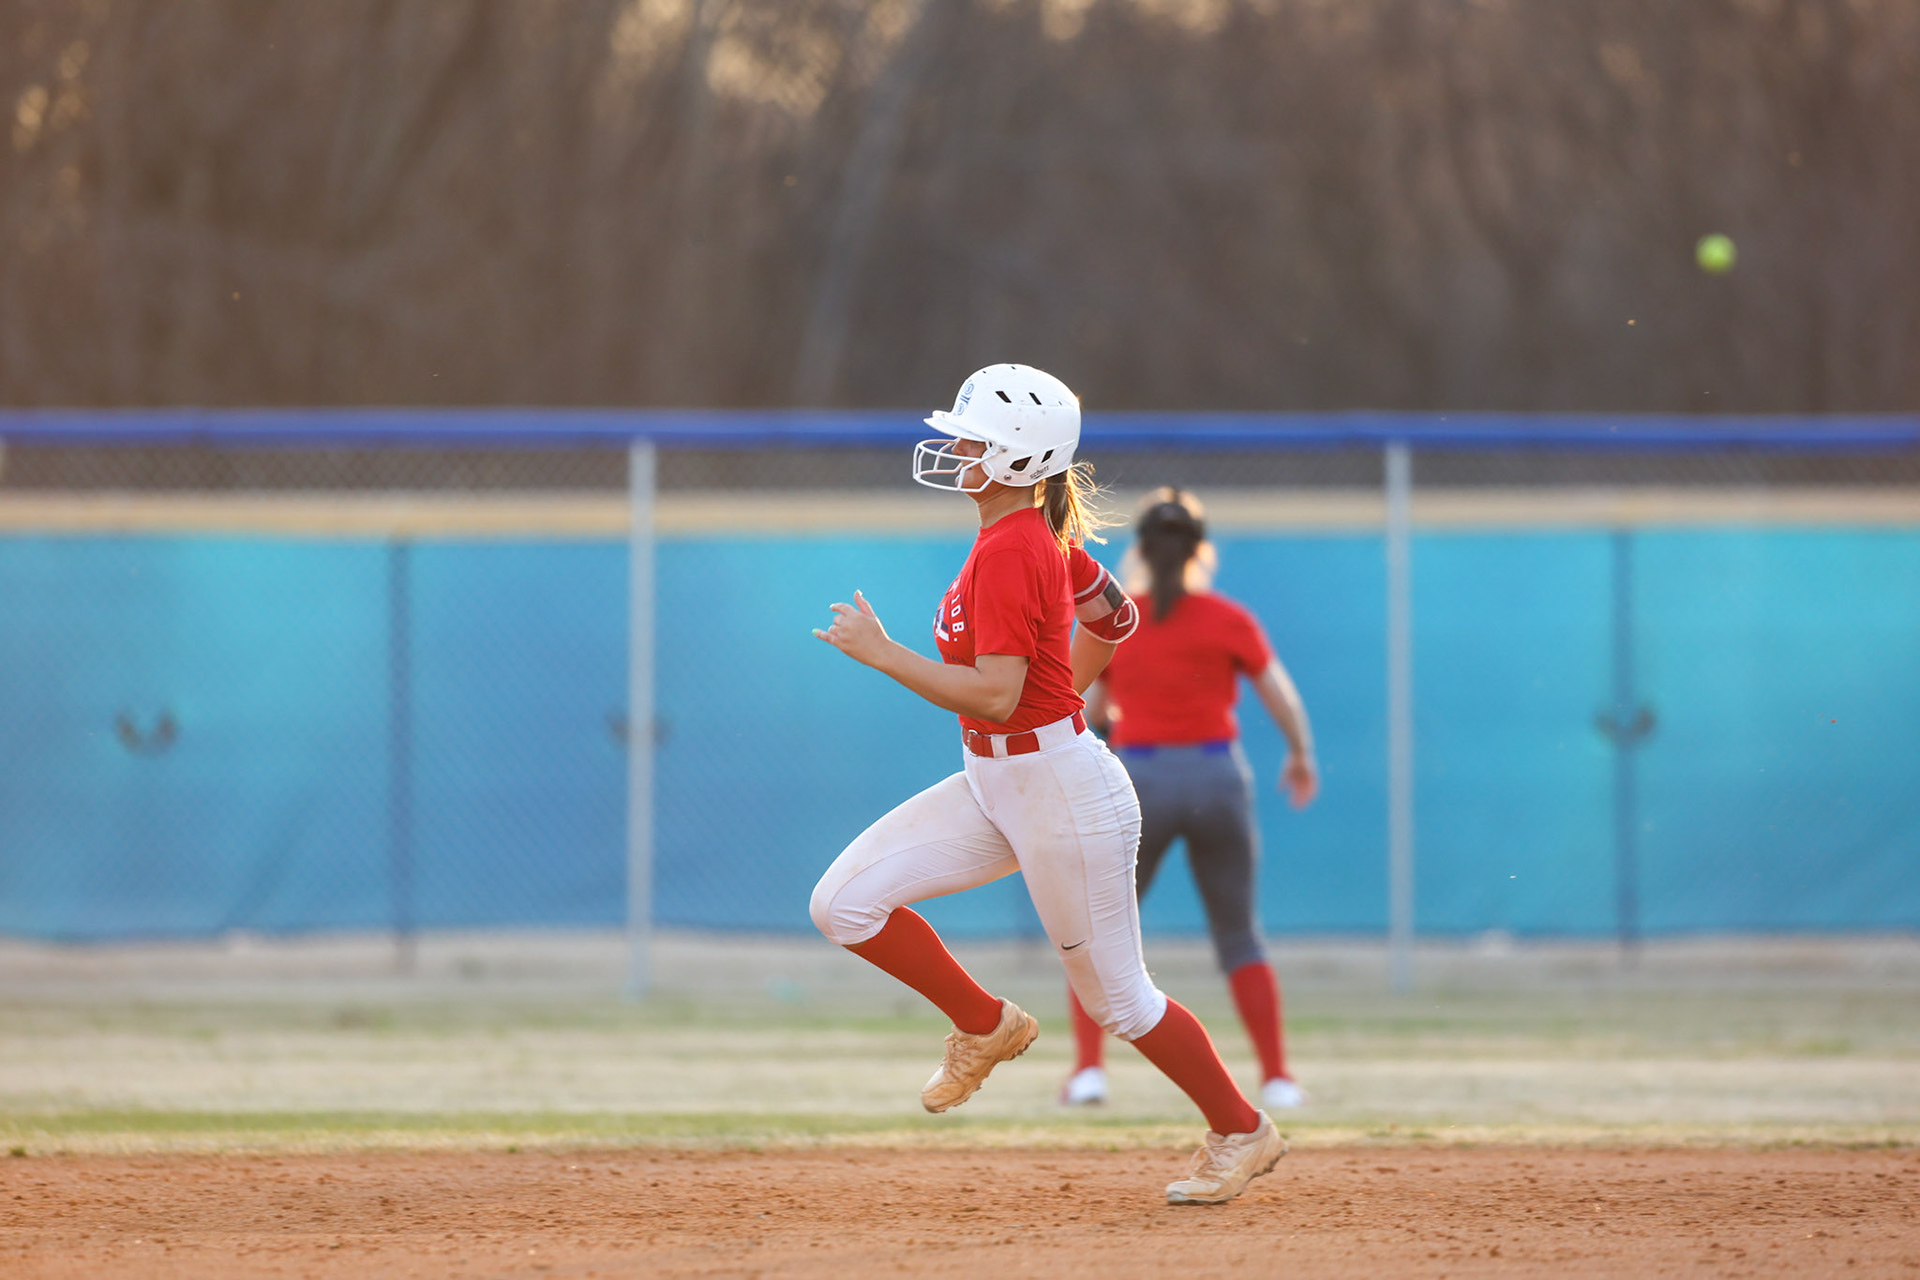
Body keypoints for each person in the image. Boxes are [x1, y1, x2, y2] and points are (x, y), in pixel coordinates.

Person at [810, 365, 1287, 1206]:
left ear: (1021, 461)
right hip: (1000, 778)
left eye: (976, 439)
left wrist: (883, 654)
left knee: (1120, 1003)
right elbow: (1116, 618)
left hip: (1058, 786)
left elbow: (996, 691)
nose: (956, 448)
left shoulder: (1015, 545)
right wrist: (1062, 691)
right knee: (843, 905)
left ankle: (1243, 1129)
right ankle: (986, 1023)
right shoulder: (1033, 538)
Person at [1061, 488, 1319, 1112]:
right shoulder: (1229, 618)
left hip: (1141, 779)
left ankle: (1090, 1074)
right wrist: (1300, 754)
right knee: (1239, 936)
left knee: (1095, 935)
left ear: (1141, 552)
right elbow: (1278, 693)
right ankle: (1277, 1079)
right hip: (1216, 776)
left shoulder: (1119, 617)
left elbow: (1091, 710)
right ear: (1200, 552)